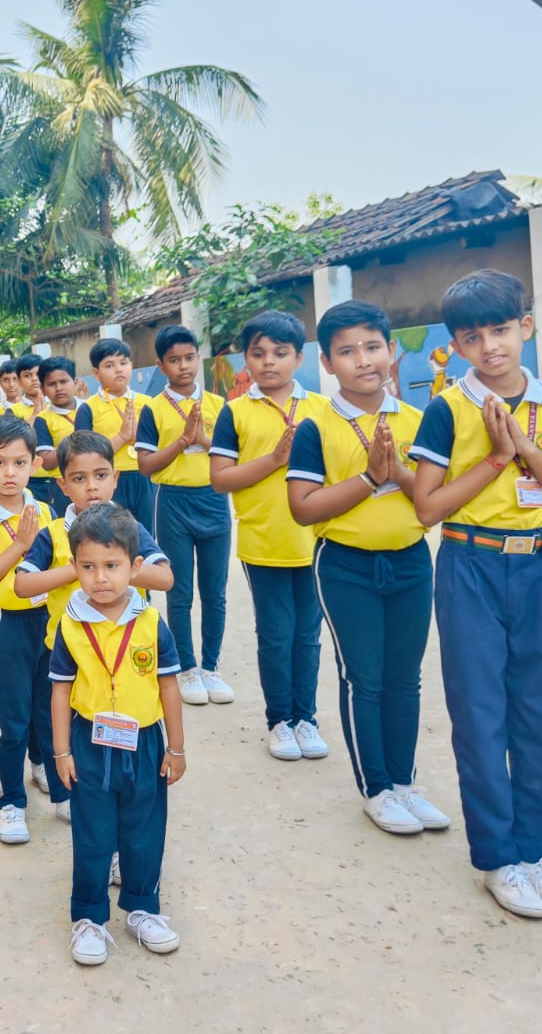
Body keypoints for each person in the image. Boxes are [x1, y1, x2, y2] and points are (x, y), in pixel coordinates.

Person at [409, 270, 542, 920]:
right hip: (469, 566)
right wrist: (492, 459)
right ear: (457, 345)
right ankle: (498, 859)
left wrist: (525, 453)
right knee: (481, 713)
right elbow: (427, 509)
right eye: (473, 336)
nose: (490, 346)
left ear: (527, 326)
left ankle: (540, 854)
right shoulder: (446, 409)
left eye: (501, 329)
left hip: (539, 568)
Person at [285, 300, 452, 841]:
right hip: (345, 566)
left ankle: (404, 782)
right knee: (366, 677)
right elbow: (304, 508)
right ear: (328, 364)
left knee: (407, 677)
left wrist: (396, 472)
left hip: (409, 560)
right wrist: (366, 479)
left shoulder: (419, 420)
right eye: (347, 351)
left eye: (373, 346)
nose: (364, 360)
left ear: (393, 351)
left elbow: (435, 500)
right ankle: (376, 788)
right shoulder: (317, 426)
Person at [48, 504, 186, 966]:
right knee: (92, 831)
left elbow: (168, 685)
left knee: (144, 828)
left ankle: (143, 907)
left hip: (145, 741)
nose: (100, 578)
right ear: (74, 568)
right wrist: (62, 751)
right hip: (89, 742)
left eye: (112, 566)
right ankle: (89, 918)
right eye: (87, 567)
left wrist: (177, 747)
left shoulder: (150, 622)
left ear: (135, 567)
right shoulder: (71, 625)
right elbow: (60, 692)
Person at [209, 311, 333, 762]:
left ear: (300, 357)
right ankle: (279, 720)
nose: (269, 363)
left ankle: (307, 717)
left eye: (280, 353)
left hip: (318, 541)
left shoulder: (322, 409)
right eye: (258, 354)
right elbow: (221, 479)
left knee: (309, 636)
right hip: (263, 544)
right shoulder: (235, 411)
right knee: (276, 635)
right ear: (246, 359)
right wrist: (277, 458)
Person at [0, 415, 67, 845]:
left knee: (51, 707)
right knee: (11, 717)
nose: (9, 473)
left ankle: (57, 787)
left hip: (47, 620)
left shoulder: (43, 510)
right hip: (5, 623)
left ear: (33, 464)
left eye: (19, 463)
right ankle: (12, 803)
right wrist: (19, 548)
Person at [135, 326, 232, 706]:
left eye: (189, 357)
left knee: (215, 591)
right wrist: (181, 442)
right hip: (172, 502)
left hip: (214, 500)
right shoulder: (152, 409)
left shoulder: (220, 406)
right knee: (179, 591)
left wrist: (204, 440)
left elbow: (230, 457)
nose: (183, 366)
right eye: (174, 360)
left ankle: (211, 667)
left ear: (198, 358)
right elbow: (145, 466)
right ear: (161, 365)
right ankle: (187, 668)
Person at [15, 431, 172, 644]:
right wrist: (78, 569)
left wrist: (114, 568)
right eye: (79, 478)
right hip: (70, 650)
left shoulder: (131, 528)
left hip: (126, 644)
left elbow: (165, 578)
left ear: (115, 478)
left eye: (101, 475)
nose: (92, 486)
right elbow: (22, 585)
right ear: (63, 486)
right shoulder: (52, 534)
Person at [75, 338, 152, 529]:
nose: (119, 369)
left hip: (145, 479)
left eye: (123, 363)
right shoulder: (88, 409)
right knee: (110, 533)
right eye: (109, 365)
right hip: (108, 480)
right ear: (96, 373)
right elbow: (85, 456)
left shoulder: (149, 403)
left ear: (131, 366)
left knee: (148, 534)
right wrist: (122, 437)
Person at [32, 355, 84, 516]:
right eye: (51, 384)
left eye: (63, 382)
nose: (59, 388)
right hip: (62, 488)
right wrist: (75, 439)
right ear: (42, 389)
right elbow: (47, 462)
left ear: (75, 382)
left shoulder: (89, 409)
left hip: (94, 480)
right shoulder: (43, 419)